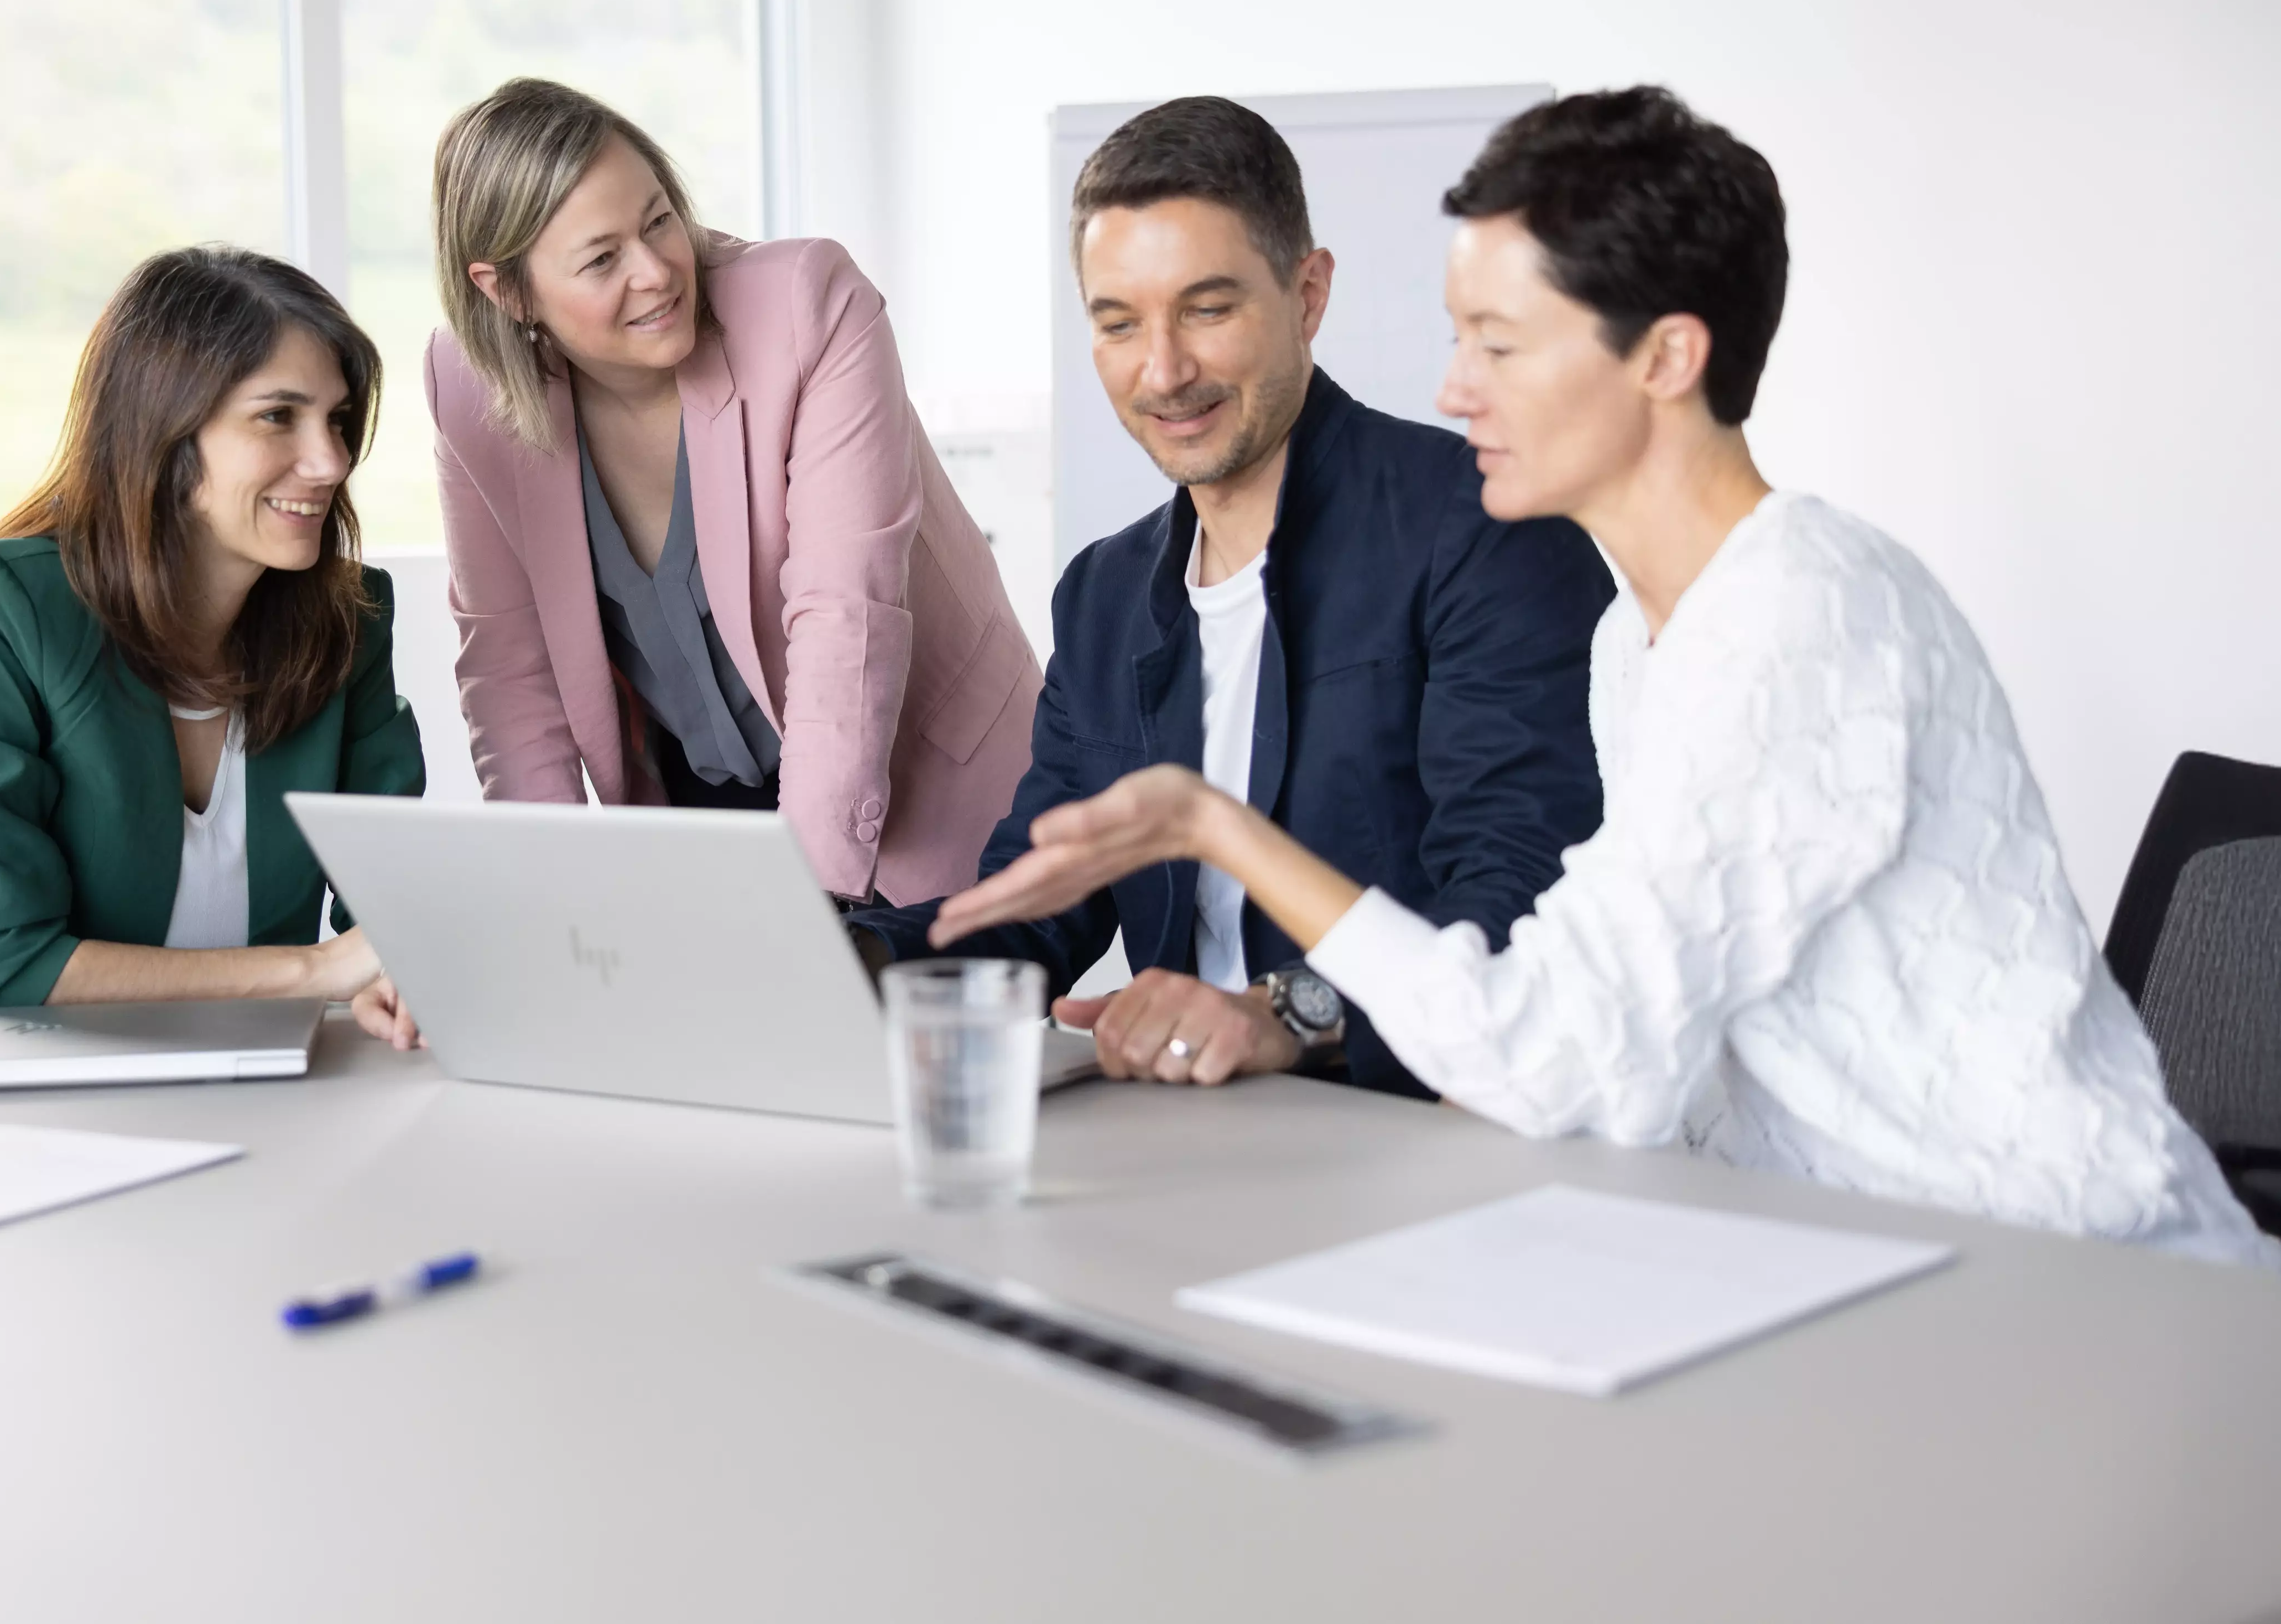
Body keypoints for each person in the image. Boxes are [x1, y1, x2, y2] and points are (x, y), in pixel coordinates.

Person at [932, 88, 2277, 1265]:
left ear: (1666, 357)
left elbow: (1563, 1064)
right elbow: (1561, 1025)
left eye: (1500, 345)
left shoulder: (1803, 611)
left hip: (2061, 1276)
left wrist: (1216, 830)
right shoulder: (1646, 634)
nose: (1455, 391)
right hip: (1831, 1254)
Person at [851, 96, 1614, 1099]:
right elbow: (1037, 908)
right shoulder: (1105, 593)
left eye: (1207, 310)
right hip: (1185, 1134)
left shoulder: (1481, 526)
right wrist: (838, 959)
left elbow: (1522, 903)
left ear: (1307, 295)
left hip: (1410, 1129)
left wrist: (1282, 1013)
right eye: (1118, 323)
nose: (1162, 371)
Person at [425, 79, 1038, 905]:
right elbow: (509, 670)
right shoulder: (468, 388)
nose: (655, 272)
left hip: (921, 785)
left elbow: (842, 619)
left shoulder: (804, 305)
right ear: (507, 292)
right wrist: (551, 906)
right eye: (603, 259)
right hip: (701, 808)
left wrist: (804, 909)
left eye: (658, 220)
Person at [0, 246, 425, 1045]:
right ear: (164, 430)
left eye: (338, 420)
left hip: (251, 1083)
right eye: (278, 416)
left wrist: (401, 972)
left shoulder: (348, 618)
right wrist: (311, 974)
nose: (331, 461)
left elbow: (389, 903)